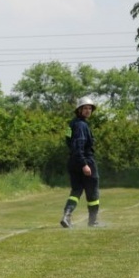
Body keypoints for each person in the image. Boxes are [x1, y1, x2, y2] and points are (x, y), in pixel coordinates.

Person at [60, 97, 100, 228]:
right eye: (85, 108)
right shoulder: (82, 125)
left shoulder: (71, 124)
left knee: (76, 190)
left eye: (90, 108)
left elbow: (68, 141)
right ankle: (93, 221)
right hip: (85, 160)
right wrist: (84, 164)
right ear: (79, 110)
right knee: (92, 192)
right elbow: (79, 145)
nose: (88, 111)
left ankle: (66, 216)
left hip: (73, 161)